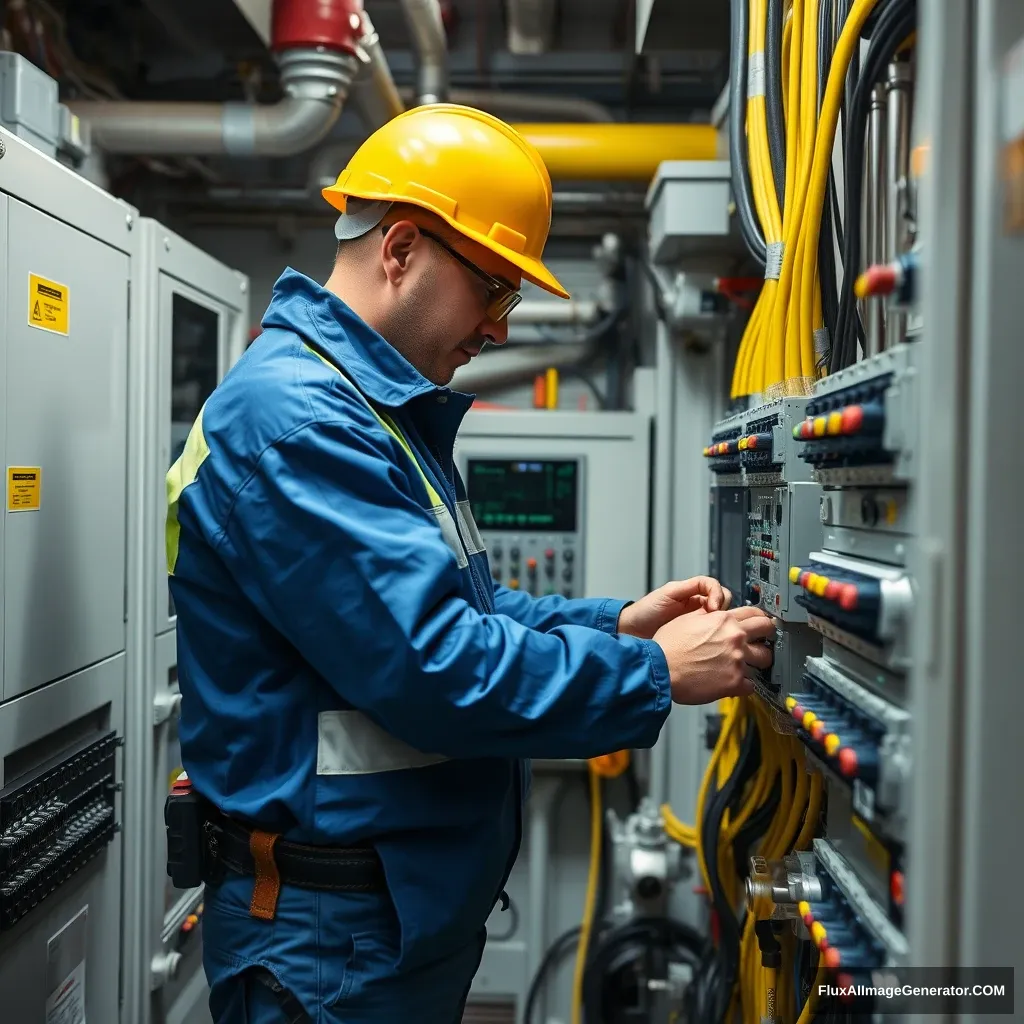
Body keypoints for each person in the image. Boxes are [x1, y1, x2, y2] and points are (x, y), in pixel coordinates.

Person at [166, 103, 775, 1023]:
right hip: (330, 940)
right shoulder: (300, 422)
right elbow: (437, 670)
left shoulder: (372, 415)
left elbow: (463, 612)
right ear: (402, 247)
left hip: (381, 920)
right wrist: (653, 673)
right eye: (492, 287)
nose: (497, 328)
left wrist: (613, 624)